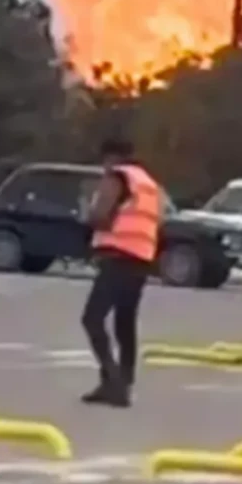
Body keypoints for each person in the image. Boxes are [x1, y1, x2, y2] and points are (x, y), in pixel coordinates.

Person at [79, 137, 160, 408]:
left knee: (92, 319)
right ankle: (122, 381)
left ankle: (113, 381)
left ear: (111, 158)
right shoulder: (147, 182)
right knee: (125, 323)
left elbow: (101, 215)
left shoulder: (117, 177)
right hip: (140, 259)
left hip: (117, 257)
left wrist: (87, 214)